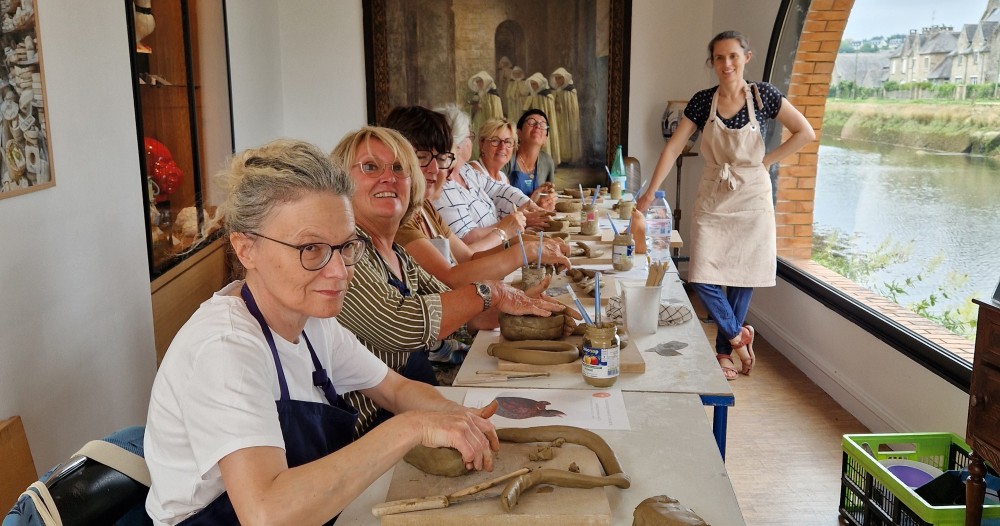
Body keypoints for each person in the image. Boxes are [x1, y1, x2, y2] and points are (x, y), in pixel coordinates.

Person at [144, 139, 500, 525]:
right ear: (246, 249)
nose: (338, 271)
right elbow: (266, 513)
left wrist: (464, 420)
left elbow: (396, 390)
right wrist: (412, 427)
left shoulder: (314, 324)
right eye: (310, 248)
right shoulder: (225, 348)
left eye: (346, 246)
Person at [330, 124, 575, 435]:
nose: (388, 176)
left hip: (410, 406)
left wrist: (526, 311)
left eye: (398, 167)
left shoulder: (396, 255)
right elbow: (405, 325)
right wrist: (495, 293)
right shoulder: (346, 252)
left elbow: (459, 310)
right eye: (370, 167)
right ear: (340, 182)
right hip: (368, 431)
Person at [636, 30, 815, 381]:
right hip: (714, 195)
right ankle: (738, 336)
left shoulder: (763, 96)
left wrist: (766, 162)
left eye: (733, 56)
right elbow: (673, 148)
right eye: (719, 57)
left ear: (746, 57)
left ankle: (722, 353)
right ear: (712, 62)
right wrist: (648, 194)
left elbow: (805, 132)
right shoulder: (703, 101)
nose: (727, 63)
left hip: (752, 197)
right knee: (702, 274)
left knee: (742, 277)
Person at [470, 118, 554, 226]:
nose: (502, 147)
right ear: (481, 144)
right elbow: (483, 222)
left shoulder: (503, 178)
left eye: (508, 142)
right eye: (495, 140)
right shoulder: (473, 171)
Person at [504, 108, 557, 201]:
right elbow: (499, 200)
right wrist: (533, 199)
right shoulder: (507, 157)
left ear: (545, 138)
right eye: (531, 122)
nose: (538, 126)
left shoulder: (547, 161)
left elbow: (548, 197)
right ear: (518, 133)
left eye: (543, 124)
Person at [523, 72, 561, 165]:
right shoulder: (531, 95)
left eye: (535, 84)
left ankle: (547, 164)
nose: (534, 86)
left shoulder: (546, 96)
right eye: (532, 84)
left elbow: (548, 113)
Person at [468, 71, 504, 160]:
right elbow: (472, 107)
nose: (479, 83)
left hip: (488, 120)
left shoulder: (492, 94)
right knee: (476, 138)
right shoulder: (477, 94)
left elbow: (494, 110)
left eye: (481, 81)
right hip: (478, 120)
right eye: (478, 82)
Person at [549, 67, 582, 164]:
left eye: (560, 78)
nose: (558, 80)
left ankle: (570, 158)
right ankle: (561, 158)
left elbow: (572, 108)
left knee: (567, 136)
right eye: (556, 78)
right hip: (557, 118)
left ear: (565, 78)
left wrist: (562, 107)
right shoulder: (554, 91)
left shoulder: (570, 91)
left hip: (567, 119)